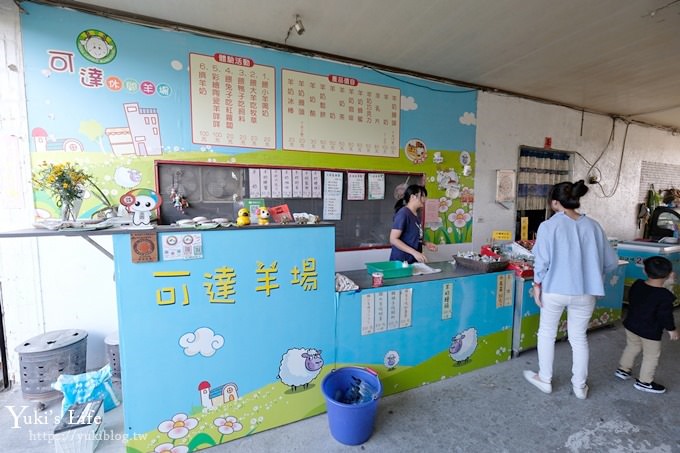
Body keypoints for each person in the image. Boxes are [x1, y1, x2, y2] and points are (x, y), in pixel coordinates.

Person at [523, 180, 618, 399]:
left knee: (546, 333)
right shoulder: (594, 226)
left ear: (555, 202)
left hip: (554, 289)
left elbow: (541, 261)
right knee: (578, 338)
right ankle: (579, 386)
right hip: (586, 291)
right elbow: (611, 262)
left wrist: (537, 285)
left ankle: (545, 379)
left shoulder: (548, 226)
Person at [615, 256, 678, 393]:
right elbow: (665, 315)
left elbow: (648, 295)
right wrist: (671, 329)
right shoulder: (665, 296)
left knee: (632, 347)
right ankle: (644, 382)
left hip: (631, 325)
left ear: (644, 271)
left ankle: (623, 369)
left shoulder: (637, 284)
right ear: (669, 275)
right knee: (651, 356)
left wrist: (667, 281)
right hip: (650, 332)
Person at [389, 184, 437, 263]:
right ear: (412, 197)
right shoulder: (403, 213)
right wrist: (414, 253)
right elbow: (393, 239)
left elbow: (412, 236)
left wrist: (426, 243)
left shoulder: (415, 215)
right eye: (422, 196)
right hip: (401, 262)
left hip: (412, 261)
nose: (425, 199)